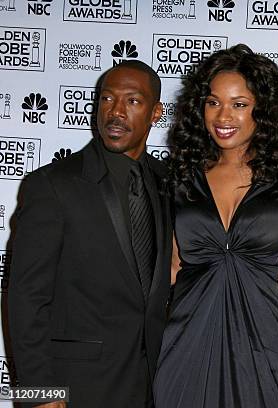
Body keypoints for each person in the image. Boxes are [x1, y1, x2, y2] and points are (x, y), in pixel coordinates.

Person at [8, 60, 172, 407]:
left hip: (153, 387)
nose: (115, 112)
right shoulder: (52, 185)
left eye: (132, 101)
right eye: (107, 99)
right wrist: (38, 395)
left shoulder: (168, 184)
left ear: (156, 112)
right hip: (72, 390)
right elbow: (25, 298)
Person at [153, 44, 278, 407]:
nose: (223, 116)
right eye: (213, 102)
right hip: (189, 341)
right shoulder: (183, 180)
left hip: (274, 344)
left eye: (239, 104)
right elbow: (172, 267)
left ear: (262, 110)